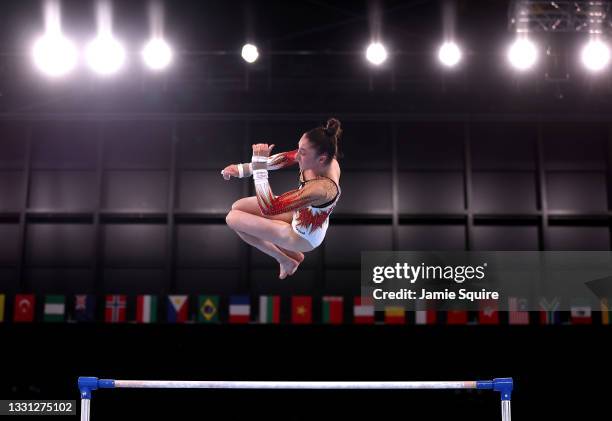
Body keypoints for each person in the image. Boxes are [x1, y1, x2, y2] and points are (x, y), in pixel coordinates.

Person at [223, 118, 343, 279]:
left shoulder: (322, 189)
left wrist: (259, 166)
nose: (297, 155)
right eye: (299, 148)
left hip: (302, 237)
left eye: (302, 152)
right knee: (237, 206)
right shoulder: (318, 158)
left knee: (233, 219)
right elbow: (286, 158)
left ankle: (285, 259)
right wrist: (243, 169)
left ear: (321, 159)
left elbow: (269, 207)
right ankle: (293, 256)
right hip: (299, 212)